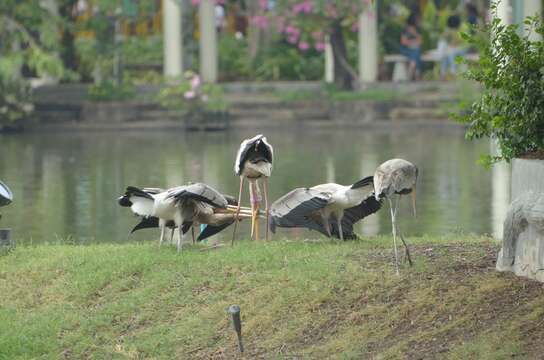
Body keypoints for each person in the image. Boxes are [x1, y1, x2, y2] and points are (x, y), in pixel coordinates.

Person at [438, 14, 467, 79]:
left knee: (450, 53)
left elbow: (461, 41)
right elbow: (444, 37)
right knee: (445, 55)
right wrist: (445, 34)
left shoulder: (464, 27)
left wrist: (452, 45)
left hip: (464, 48)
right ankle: (443, 74)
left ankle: (453, 73)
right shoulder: (453, 27)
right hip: (456, 47)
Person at [399, 13, 423, 81]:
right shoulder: (405, 29)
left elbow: (420, 41)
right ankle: (416, 74)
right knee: (416, 51)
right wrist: (413, 42)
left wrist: (414, 33)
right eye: (417, 19)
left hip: (414, 49)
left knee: (416, 50)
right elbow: (403, 42)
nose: (419, 21)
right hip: (405, 49)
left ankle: (411, 70)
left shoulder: (418, 29)